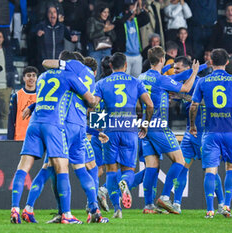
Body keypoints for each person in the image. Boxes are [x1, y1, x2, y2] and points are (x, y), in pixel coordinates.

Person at [10, 51, 97, 224]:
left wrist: (34, 105)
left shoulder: (41, 77)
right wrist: (94, 100)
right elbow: (91, 100)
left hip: (34, 124)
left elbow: (49, 94)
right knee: (61, 168)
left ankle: (16, 209)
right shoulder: (70, 76)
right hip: (55, 125)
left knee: (24, 167)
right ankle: (67, 214)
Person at [138, 46, 199, 214]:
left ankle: (149, 205)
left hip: (145, 125)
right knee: (180, 161)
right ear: (162, 60)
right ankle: (165, 197)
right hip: (159, 126)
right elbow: (186, 88)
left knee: (152, 165)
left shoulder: (141, 77)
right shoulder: (161, 79)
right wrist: (194, 72)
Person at [189, 48, 232, 218]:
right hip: (230, 131)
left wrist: (192, 125)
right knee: (231, 167)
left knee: (210, 170)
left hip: (211, 132)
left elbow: (193, 106)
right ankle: (227, 206)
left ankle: (210, 210)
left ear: (211, 62)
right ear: (227, 62)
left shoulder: (203, 81)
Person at [94, 52, 154, 218]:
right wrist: (145, 124)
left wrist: (97, 129)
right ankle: (126, 182)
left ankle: (117, 210)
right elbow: (149, 105)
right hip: (129, 129)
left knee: (111, 171)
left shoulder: (102, 83)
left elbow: (92, 107)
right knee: (128, 169)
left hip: (110, 131)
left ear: (111, 66)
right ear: (126, 65)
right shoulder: (135, 82)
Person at [169, 56, 224, 214]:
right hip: (189, 135)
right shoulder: (183, 85)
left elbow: (210, 102)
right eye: (174, 68)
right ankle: (177, 204)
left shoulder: (202, 82)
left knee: (211, 170)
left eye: (178, 68)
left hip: (203, 134)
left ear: (187, 69)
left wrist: (184, 97)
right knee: (182, 168)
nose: (175, 71)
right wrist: (179, 97)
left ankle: (221, 204)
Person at [114, 0, 150, 78]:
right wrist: (130, 12)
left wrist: (140, 7)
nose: (134, 12)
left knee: (136, 79)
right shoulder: (119, 21)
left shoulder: (136, 21)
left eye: (134, 10)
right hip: (125, 56)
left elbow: (146, 19)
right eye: (132, 10)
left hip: (137, 56)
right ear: (127, 11)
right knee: (125, 78)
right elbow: (119, 23)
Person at [36, 5, 78, 71]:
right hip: (45, 62)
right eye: (50, 12)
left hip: (58, 62)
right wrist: (37, 34)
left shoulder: (62, 27)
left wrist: (74, 39)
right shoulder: (41, 26)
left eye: (54, 12)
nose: (52, 14)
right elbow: (33, 37)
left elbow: (70, 37)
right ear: (47, 15)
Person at [7, 66, 38, 140]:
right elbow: (11, 120)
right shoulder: (16, 96)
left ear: (37, 78)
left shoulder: (41, 95)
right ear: (24, 78)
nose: (31, 78)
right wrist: (10, 139)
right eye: (28, 75)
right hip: (20, 137)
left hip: (37, 138)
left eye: (34, 75)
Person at [86, 5, 116, 79]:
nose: (106, 14)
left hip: (107, 50)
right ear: (99, 12)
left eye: (108, 12)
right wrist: (104, 30)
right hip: (95, 50)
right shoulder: (92, 20)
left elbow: (114, 38)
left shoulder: (108, 22)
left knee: (107, 74)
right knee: (95, 75)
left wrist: (109, 30)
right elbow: (90, 35)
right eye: (104, 12)